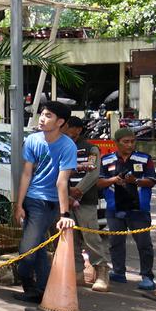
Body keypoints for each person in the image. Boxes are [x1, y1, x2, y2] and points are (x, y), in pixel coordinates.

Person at [12, 102, 78, 304]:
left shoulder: (68, 146)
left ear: (60, 122)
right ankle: (34, 288)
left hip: (54, 203)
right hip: (34, 200)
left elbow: (62, 181)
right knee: (32, 248)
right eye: (42, 114)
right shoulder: (33, 140)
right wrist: (19, 204)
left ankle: (36, 288)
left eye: (48, 116)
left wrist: (65, 215)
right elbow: (26, 173)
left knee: (33, 249)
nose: (42, 118)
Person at [99, 127, 156, 290]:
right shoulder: (106, 160)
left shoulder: (145, 159)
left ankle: (147, 276)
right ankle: (118, 272)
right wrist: (113, 180)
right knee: (115, 242)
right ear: (116, 143)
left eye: (132, 141)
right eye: (126, 142)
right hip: (114, 207)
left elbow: (152, 180)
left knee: (144, 243)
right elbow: (98, 182)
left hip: (139, 208)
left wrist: (135, 181)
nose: (130, 145)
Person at [63, 116, 109, 293]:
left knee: (91, 237)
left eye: (67, 127)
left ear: (77, 130)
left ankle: (102, 271)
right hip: (64, 199)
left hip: (85, 200)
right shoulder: (61, 146)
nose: (64, 130)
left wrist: (77, 190)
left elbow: (93, 173)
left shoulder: (90, 148)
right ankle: (76, 272)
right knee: (70, 237)